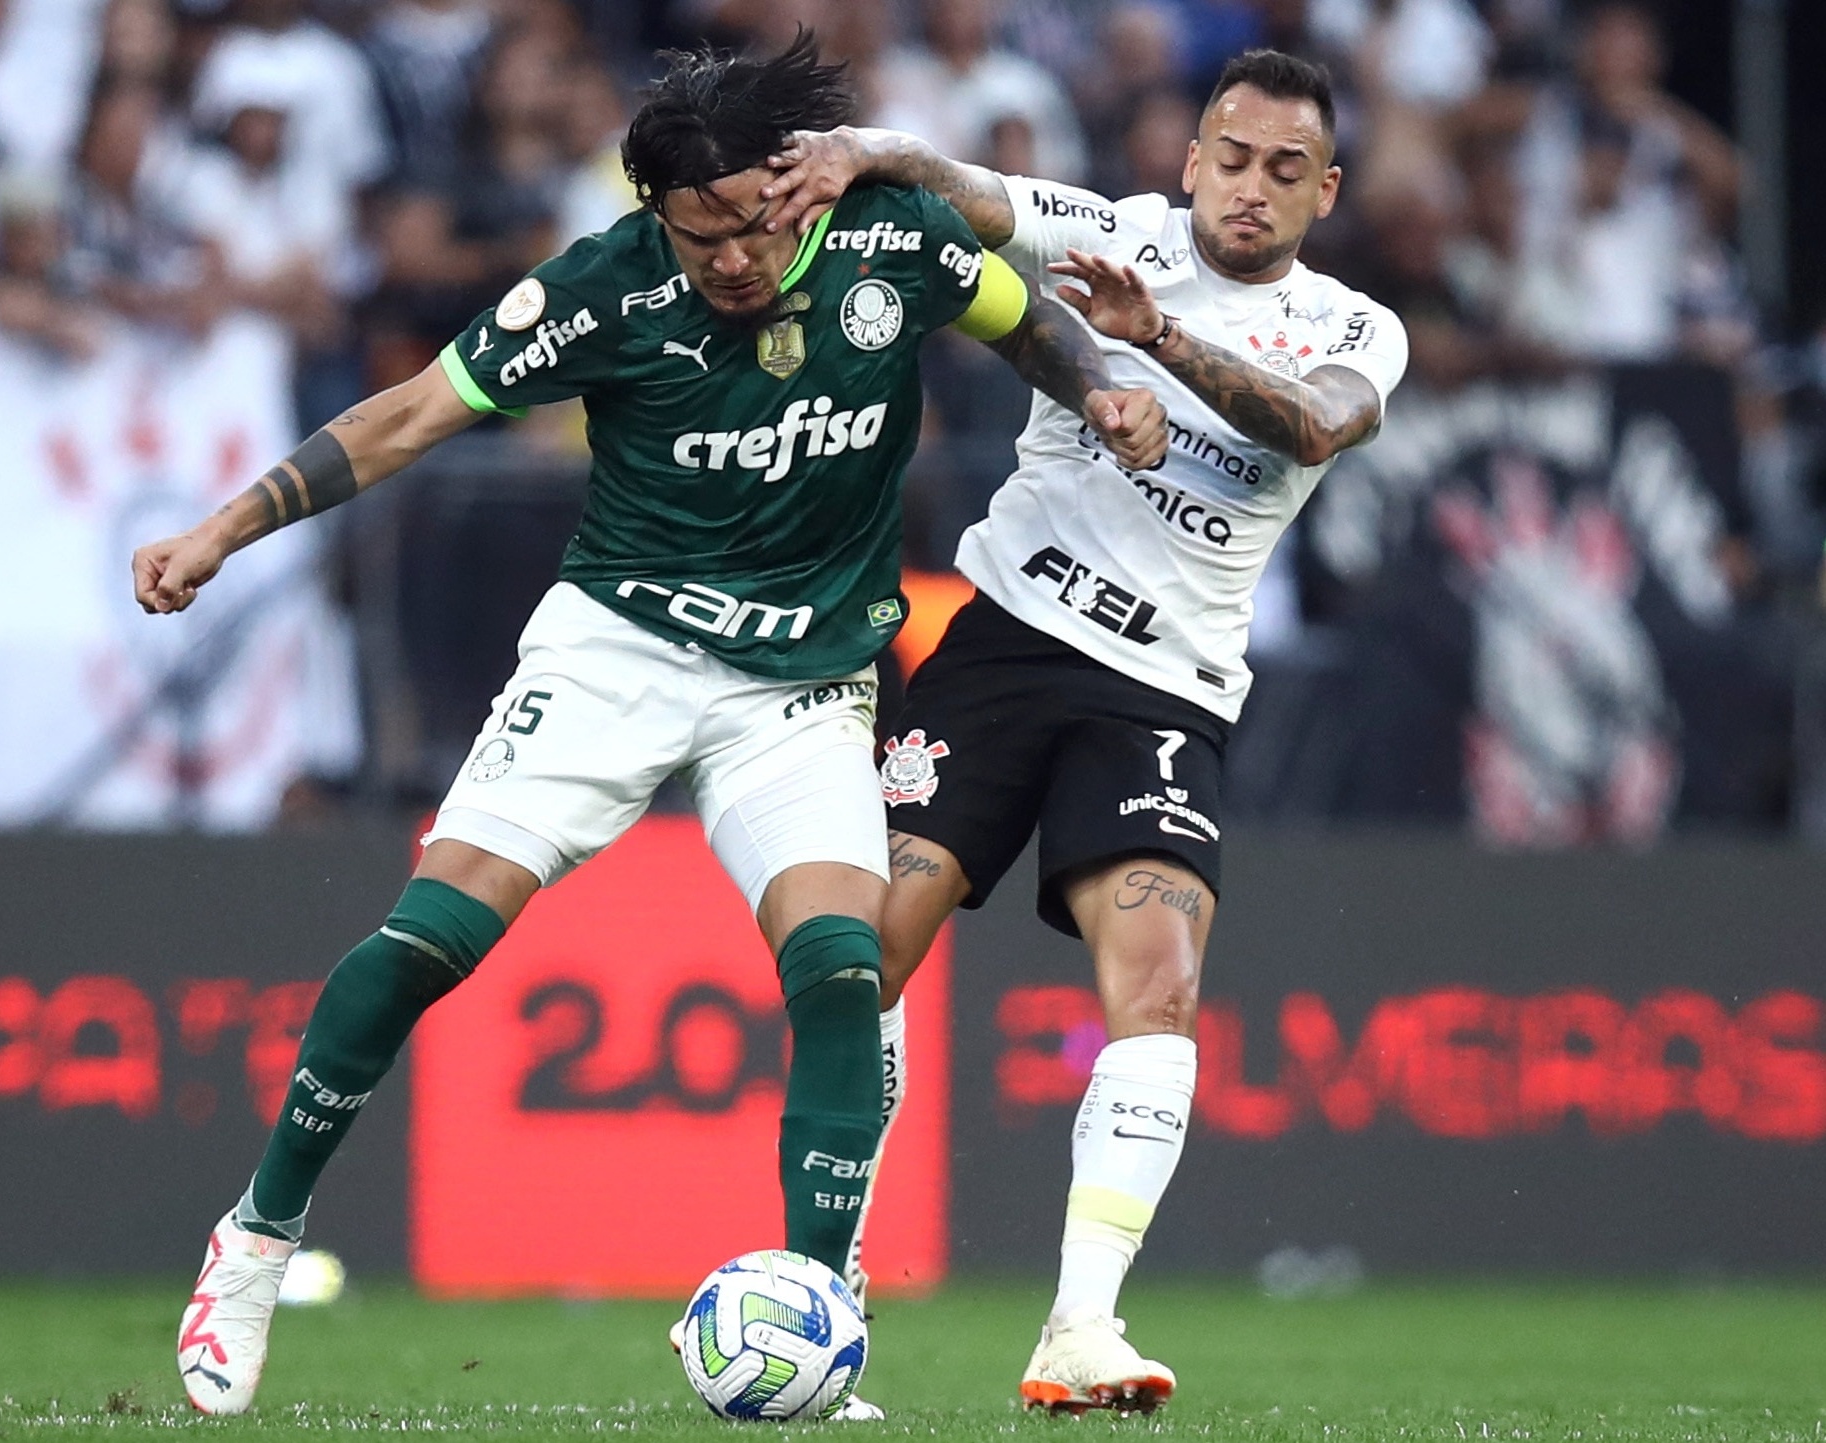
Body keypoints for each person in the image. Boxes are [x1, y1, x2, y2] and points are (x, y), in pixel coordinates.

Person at [138, 33, 1165, 1419]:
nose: (730, 260)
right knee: (435, 935)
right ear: (653, 219)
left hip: (801, 681)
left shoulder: (893, 240)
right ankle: (256, 1240)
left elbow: (1020, 314)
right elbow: (409, 418)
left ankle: (812, 1313)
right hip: (618, 649)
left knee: (840, 973)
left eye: (750, 225)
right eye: (697, 238)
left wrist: (1094, 381)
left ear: (794, 187)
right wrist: (225, 527)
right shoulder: (605, 288)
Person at [763, 46, 1409, 1412]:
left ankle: (1080, 1329)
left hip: (1164, 693)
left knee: (1160, 985)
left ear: (1325, 191)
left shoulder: (1357, 329)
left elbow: (1311, 431)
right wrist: (850, 153)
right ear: (1191, 158)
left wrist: (1158, 339)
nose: (1250, 188)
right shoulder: (1112, 232)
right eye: (1231, 158)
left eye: (1284, 171)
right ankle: (828, 1278)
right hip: (1003, 644)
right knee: (861, 956)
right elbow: (959, 186)